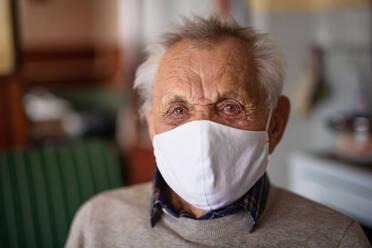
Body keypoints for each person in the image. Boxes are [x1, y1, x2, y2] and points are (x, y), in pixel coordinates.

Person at [66, 15, 370, 248]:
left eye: (230, 107)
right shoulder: (98, 224)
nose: (202, 134)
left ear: (274, 125)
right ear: (152, 127)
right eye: (179, 110)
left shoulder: (333, 238)